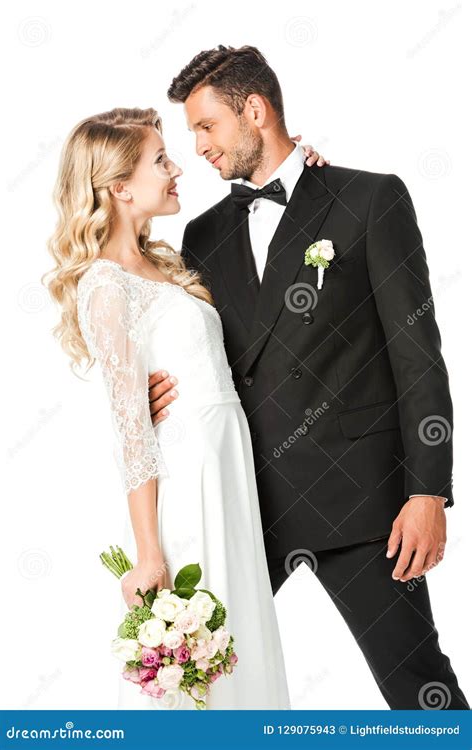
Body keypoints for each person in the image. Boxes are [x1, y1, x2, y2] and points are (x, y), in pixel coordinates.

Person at [148, 45, 469, 710]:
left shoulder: (369, 199)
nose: (199, 147)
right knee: (184, 675)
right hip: (243, 500)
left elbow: (418, 354)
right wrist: (148, 398)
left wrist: (427, 492)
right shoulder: (203, 236)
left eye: (206, 127)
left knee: (418, 688)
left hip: (360, 503)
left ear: (255, 110)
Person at [43, 106, 325, 709]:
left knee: (240, 651)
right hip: (187, 487)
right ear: (120, 187)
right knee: (200, 671)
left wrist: (308, 174)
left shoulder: (164, 264)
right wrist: (149, 555)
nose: (178, 168)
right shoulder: (105, 285)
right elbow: (131, 433)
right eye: (160, 161)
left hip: (227, 474)